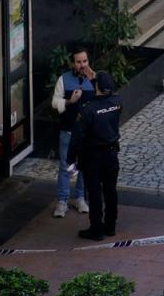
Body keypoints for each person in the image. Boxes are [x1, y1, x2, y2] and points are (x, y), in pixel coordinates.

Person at [67, 71, 122, 241]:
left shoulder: (88, 109)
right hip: (111, 154)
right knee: (110, 191)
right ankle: (110, 226)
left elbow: (77, 137)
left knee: (95, 192)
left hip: (92, 157)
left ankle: (96, 230)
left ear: (96, 87)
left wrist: (70, 159)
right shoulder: (117, 102)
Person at [51, 47, 95, 218]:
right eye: (79, 62)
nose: (82, 65)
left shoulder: (94, 79)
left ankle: (80, 198)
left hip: (87, 132)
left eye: (85, 61)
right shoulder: (64, 79)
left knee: (84, 166)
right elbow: (55, 103)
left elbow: (104, 98)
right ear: (73, 63)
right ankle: (62, 201)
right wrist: (70, 101)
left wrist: (94, 78)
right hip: (68, 130)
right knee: (65, 166)